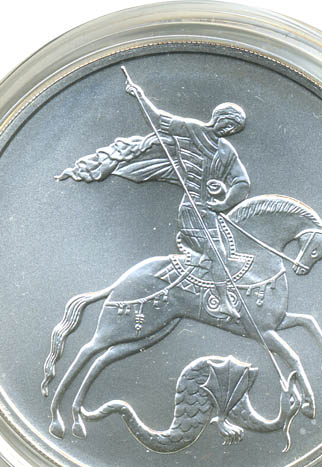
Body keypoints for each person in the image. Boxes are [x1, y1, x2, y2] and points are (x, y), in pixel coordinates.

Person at [56, 79, 251, 320]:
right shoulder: (191, 130)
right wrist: (140, 96)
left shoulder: (226, 150)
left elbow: (242, 182)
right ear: (219, 118)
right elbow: (159, 120)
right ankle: (222, 302)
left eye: (235, 129)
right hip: (192, 209)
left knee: (224, 252)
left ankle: (199, 283)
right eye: (230, 124)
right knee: (218, 254)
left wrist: (224, 202)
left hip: (209, 210)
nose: (230, 130)